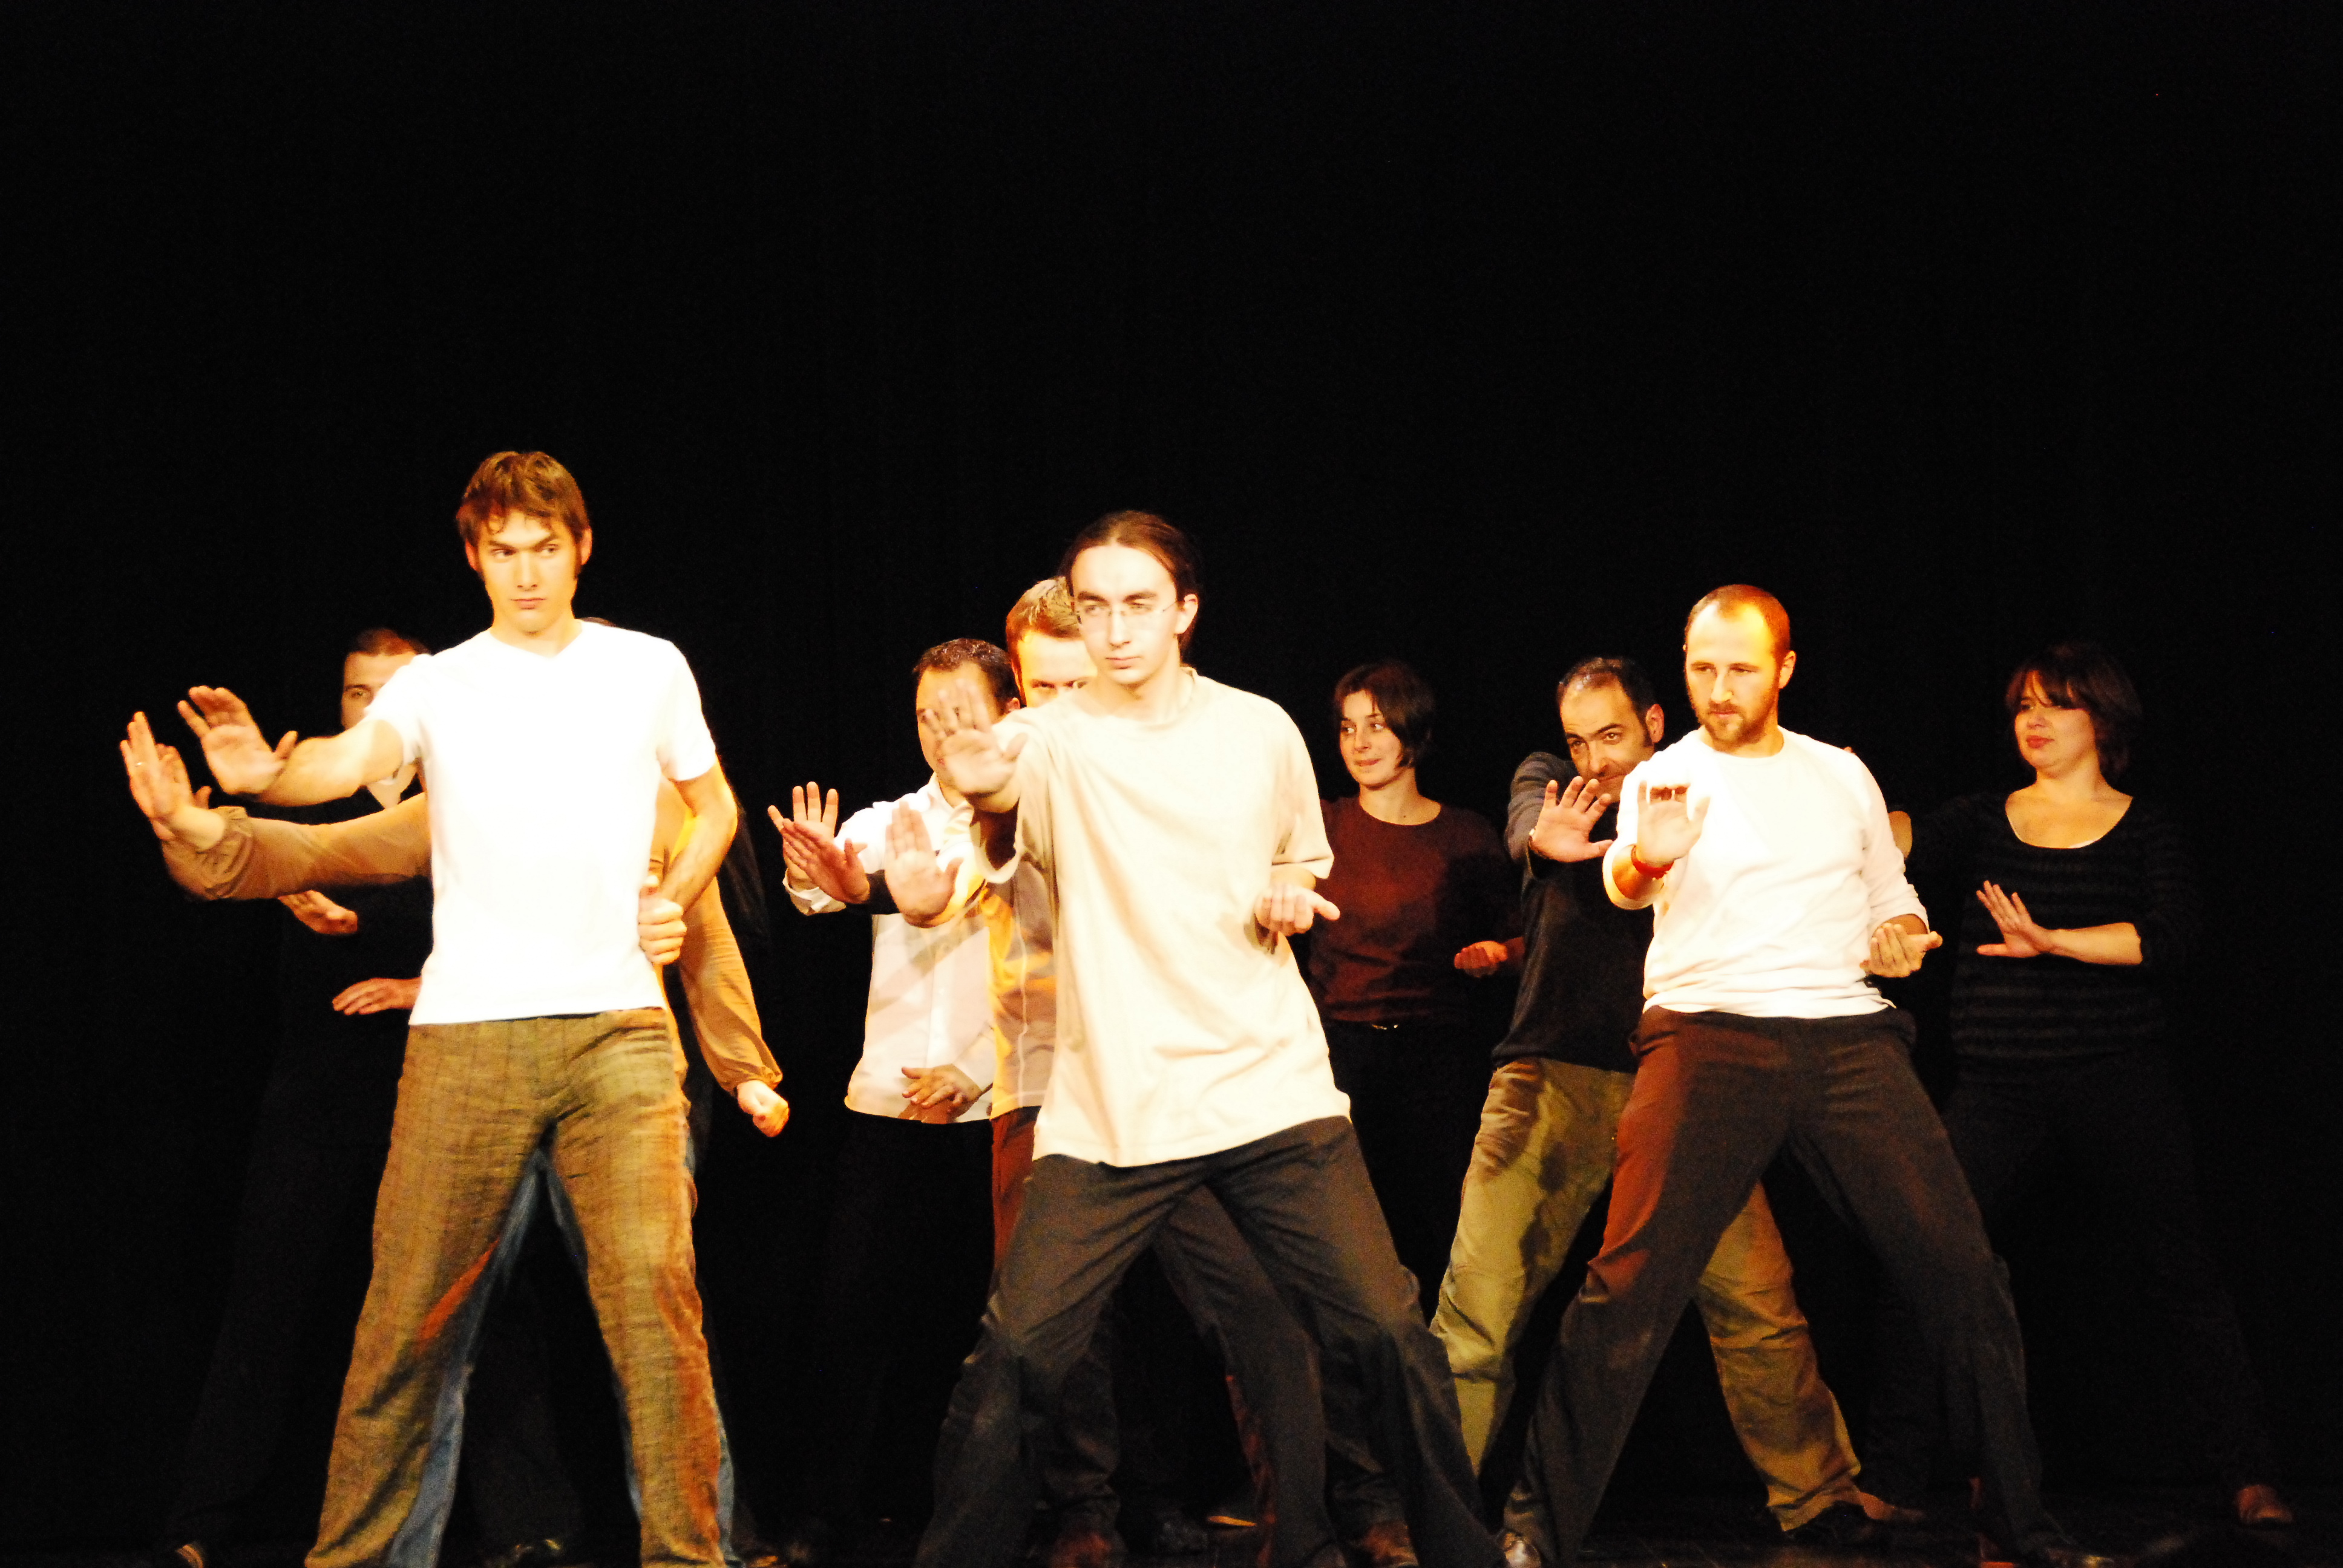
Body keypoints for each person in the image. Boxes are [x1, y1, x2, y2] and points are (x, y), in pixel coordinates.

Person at [159, 451, 740, 1568]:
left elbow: (711, 805)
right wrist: (261, 775)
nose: (526, 573)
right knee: (404, 1324)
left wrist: (672, 893)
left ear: (580, 548)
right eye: (503, 552)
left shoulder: (647, 667)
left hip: (618, 1033)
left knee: (657, 1311)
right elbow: (343, 765)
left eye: (545, 549)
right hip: (468, 1039)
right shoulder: (439, 683)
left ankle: (689, 1556)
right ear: (475, 556)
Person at [909, 511, 1499, 1568]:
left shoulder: (1258, 730)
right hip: (1113, 1110)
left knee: (1386, 1332)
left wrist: (1288, 890)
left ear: (1184, 608)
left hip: (1267, 1090)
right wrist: (970, 774)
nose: (1116, 630)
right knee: (1019, 1353)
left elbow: (1298, 856)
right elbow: (998, 790)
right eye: (1095, 608)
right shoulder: (1052, 739)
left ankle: (1461, 1551)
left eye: (1139, 605)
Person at [120, 718, 789, 1566]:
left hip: (616, 1069)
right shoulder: (463, 799)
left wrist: (743, 1069)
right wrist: (194, 827)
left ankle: (706, 1548)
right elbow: (316, 851)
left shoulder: (653, 799)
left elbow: (708, 942)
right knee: (410, 1330)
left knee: (658, 1322)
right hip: (475, 1070)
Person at [787, 581, 1356, 1568]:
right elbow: (939, 878)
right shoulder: (1004, 780)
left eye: (1074, 682)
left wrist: (1282, 889)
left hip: (1185, 1074)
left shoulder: (1169, 759)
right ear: (1019, 692)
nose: (1058, 704)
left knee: (1252, 1305)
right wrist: (870, 891)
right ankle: (1081, 1509)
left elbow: (1264, 868)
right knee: (1051, 1332)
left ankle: (1301, 1519)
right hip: (1047, 1081)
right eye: (1041, 687)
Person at [1495, 586, 2057, 1568]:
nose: (1719, 689)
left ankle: (2020, 1526)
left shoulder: (1839, 774)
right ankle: (1536, 1527)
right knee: (1627, 1286)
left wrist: (1902, 933)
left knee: (1965, 1274)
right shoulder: (1664, 775)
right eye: (1702, 668)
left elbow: (1890, 896)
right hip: (1706, 1036)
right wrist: (1644, 861)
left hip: (1846, 1040)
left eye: (1740, 669)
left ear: (1784, 670)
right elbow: (1625, 879)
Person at [1428, 656, 1877, 1543]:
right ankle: (1430, 1507)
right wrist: (1544, 843)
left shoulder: (1702, 791)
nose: (1593, 760)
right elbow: (1530, 831)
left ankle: (1817, 1495)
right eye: (1578, 740)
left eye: (1611, 736)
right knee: (1478, 1309)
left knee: (1757, 1300)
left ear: (1655, 725)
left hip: (1681, 1083)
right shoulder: (1552, 783)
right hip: (1551, 1078)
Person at [1864, 642, 2292, 1529]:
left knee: (2183, 1274)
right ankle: (1895, 1478)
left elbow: (2168, 937)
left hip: (2116, 1076)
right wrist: (1844, 797)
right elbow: (1892, 843)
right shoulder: (1981, 818)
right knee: (1932, 1262)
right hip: (1997, 1083)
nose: (2035, 720)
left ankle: (2250, 1477)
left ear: (2103, 720)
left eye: (2056, 704)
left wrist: (2054, 941)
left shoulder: (2145, 827)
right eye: (2024, 704)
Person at [133, 629, 432, 1568]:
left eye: (391, 690)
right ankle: (200, 1521)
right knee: (268, 1302)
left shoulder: (465, 792)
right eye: (356, 693)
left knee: (469, 1306)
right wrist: (183, 834)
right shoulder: (311, 789)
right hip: (319, 1086)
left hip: (437, 1081)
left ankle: (523, 1525)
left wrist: (417, 987)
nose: (370, 707)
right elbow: (222, 869)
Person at [770, 639, 1012, 1555]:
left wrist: (977, 1068)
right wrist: (817, 874)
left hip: (992, 1107)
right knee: (851, 1314)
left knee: (965, 1325)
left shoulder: (1032, 819)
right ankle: (826, 1509)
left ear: (1008, 712)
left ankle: (938, 1508)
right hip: (889, 1106)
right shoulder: (892, 818)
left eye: (960, 713)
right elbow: (833, 887)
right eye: (926, 717)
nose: (942, 731)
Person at [1306, 658, 1516, 1321]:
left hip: (1435, 1061)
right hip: (1338, 1058)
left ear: (1413, 730)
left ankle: (1447, 1364)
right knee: (1350, 1237)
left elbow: (1524, 940)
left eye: (1377, 725)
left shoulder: (1464, 835)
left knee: (1441, 1227)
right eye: (1347, 728)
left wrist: (1496, 955)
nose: (1360, 743)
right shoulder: (1321, 826)